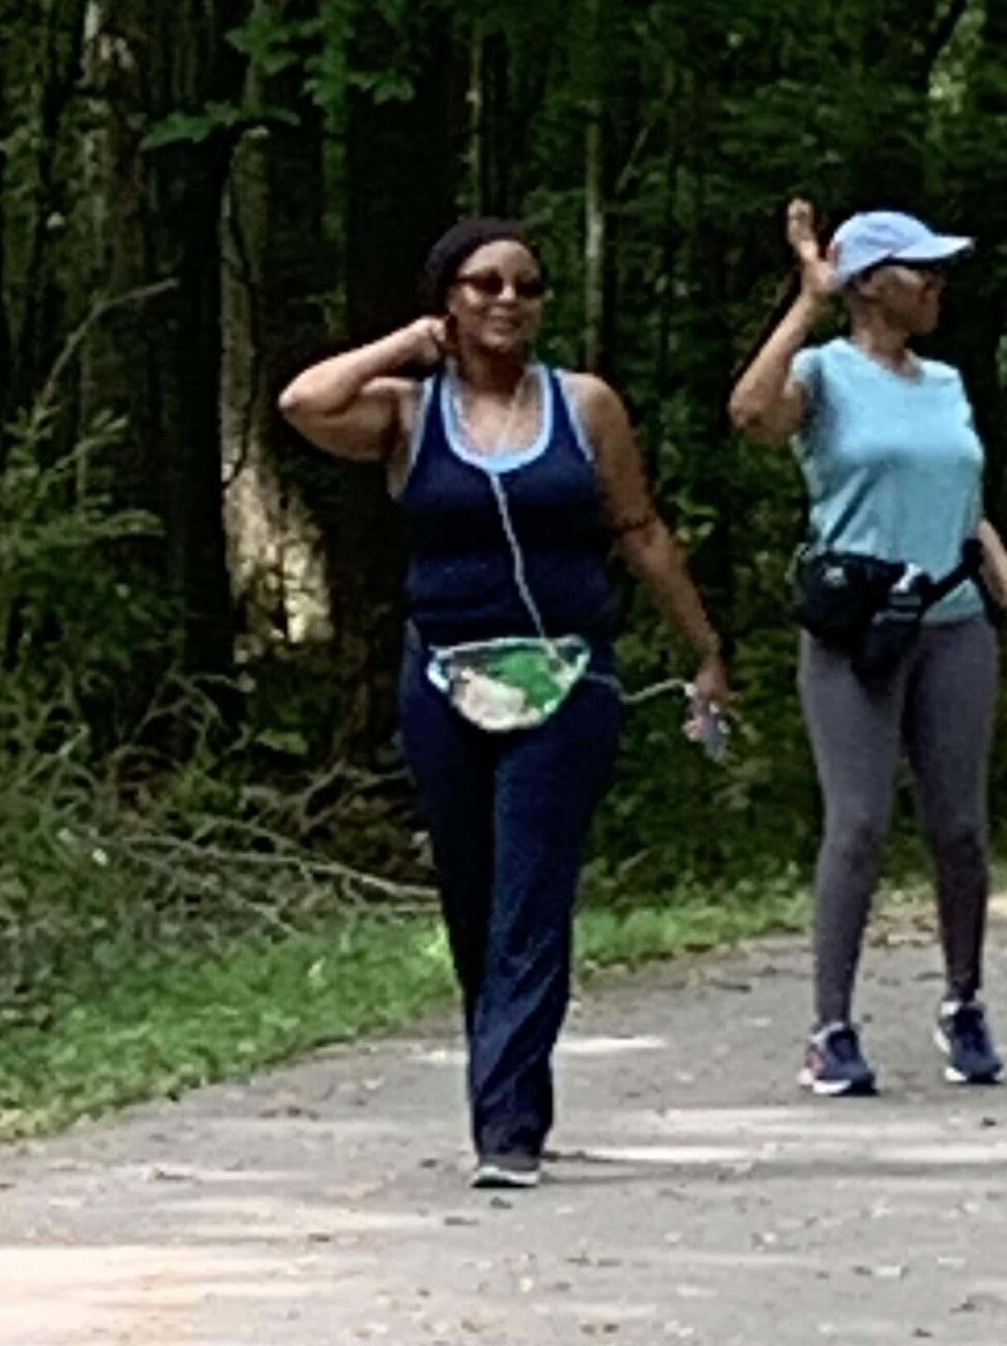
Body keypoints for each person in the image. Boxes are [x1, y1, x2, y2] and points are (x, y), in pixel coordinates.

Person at [281, 218, 732, 1189]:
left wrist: (704, 648)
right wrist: (407, 344)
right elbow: (302, 402)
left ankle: (508, 1128)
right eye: (483, 283)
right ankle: (504, 1083)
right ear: (448, 298)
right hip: (443, 680)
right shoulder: (406, 412)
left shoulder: (584, 405)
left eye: (526, 285)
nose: (507, 300)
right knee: (473, 894)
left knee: (531, 887)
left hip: (567, 677)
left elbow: (641, 530)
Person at [729, 199, 1007, 1097]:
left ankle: (964, 1000)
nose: (938, 284)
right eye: (922, 269)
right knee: (860, 820)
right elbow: (751, 414)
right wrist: (808, 299)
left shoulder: (945, 383)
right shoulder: (824, 373)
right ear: (871, 285)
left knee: (960, 825)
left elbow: (966, 508)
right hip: (856, 624)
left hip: (951, 619)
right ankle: (830, 1028)